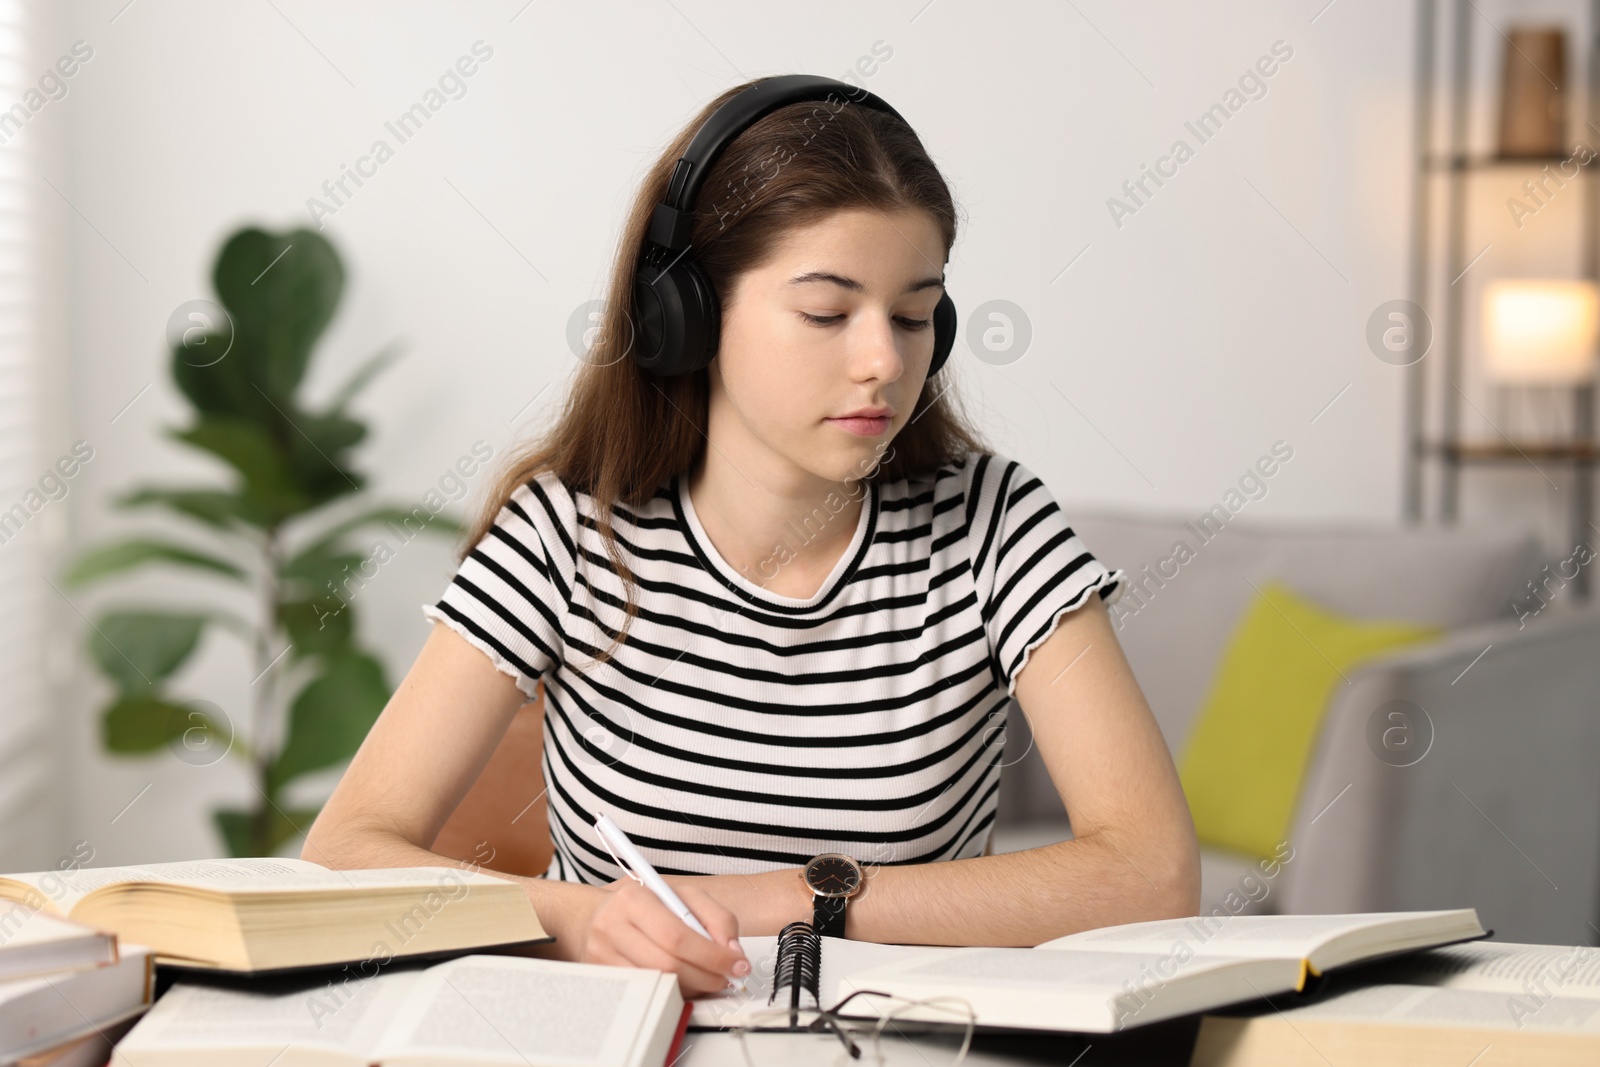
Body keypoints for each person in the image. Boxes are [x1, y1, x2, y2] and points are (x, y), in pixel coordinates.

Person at [304, 74, 1200, 1001]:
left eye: (912, 311)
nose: (884, 362)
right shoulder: (567, 532)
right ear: (686, 314)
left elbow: (1151, 872)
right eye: (826, 312)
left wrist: (782, 898)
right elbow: (342, 851)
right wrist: (578, 916)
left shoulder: (993, 524)